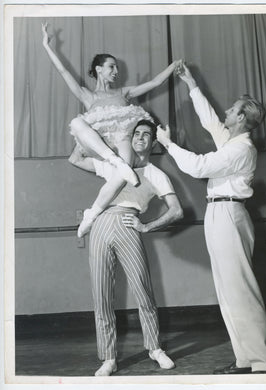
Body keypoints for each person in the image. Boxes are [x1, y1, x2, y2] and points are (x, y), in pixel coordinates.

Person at [156, 64, 266, 374]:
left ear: (241, 118)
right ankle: (245, 359)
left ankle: (261, 360)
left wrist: (169, 144)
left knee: (240, 289)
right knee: (228, 289)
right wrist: (191, 83)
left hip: (229, 213)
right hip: (220, 211)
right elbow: (210, 119)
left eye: (233, 108)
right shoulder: (233, 142)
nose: (227, 109)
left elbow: (198, 167)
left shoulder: (241, 149)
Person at [42, 22, 182, 237]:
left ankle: (92, 214)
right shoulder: (88, 96)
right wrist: (47, 46)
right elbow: (62, 71)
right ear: (99, 69)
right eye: (111, 67)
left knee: (122, 174)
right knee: (77, 123)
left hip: (122, 138)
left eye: (116, 67)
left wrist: (173, 66)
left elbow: (154, 82)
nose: (116, 71)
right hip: (100, 145)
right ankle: (115, 161)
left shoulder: (123, 93)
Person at [69, 119, 183, 376]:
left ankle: (154, 349)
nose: (140, 137)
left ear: (154, 142)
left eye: (146, 135)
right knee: (102, 296)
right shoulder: (114, 165)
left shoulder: (156, 174)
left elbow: (177, 211)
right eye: (136, 133)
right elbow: (75, 158)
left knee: (143, 291)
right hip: (99, 225)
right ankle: (108, 358)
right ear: (130, 139)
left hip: (129, 224)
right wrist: (93, 129)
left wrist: (147, 226)